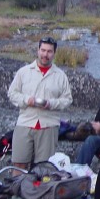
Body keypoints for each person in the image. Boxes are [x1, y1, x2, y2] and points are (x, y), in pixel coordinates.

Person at [8, 37, 73, 171]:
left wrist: (51, 103)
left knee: (44, 168)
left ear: (54, 53)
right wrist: (27, 100)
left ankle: (40, 192)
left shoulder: (60, 76)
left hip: (48, 125)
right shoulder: (24, 72)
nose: (45, 54)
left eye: (49, 51)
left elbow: (67, 99)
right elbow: (12, 93)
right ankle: (17, 191)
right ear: (38, 50)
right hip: (25, 122)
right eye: (43, 50)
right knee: (19, 164)